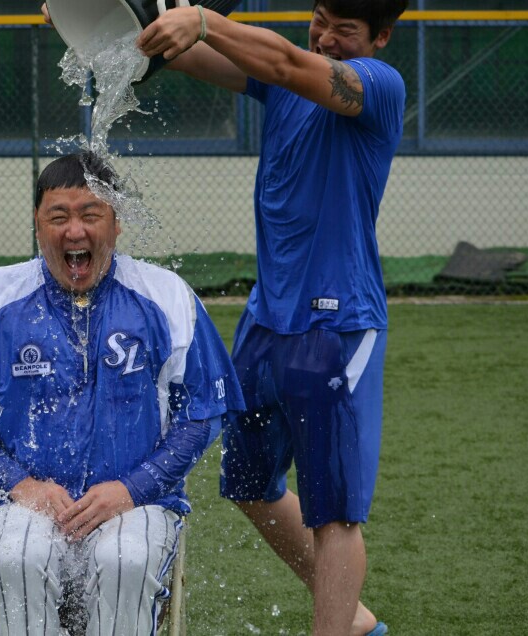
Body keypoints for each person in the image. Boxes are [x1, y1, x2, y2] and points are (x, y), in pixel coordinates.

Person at [131, 1, 409, 635]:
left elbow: (280, 59)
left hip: (339, 327)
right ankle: (352, 617)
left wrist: (202, 18)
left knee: (334, 513)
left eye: (347, 29)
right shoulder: (282, 80)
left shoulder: (377, 87)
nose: (328, 37)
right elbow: (179, 53)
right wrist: (110, 24)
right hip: (265, 320)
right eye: (321, 19)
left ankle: (334, 626)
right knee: (251, 482)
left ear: (381, 38)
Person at [0, 152, 243, 636]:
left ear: (115, 226)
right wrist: (21, 484)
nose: (75, 231)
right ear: (37, 225)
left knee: (125, 559)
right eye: (59, 216)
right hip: (23, 502)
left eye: (91, 215)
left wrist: (133, 488)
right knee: (16, 554)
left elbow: (204, 412)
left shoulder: (167, 295)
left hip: (137, 503)